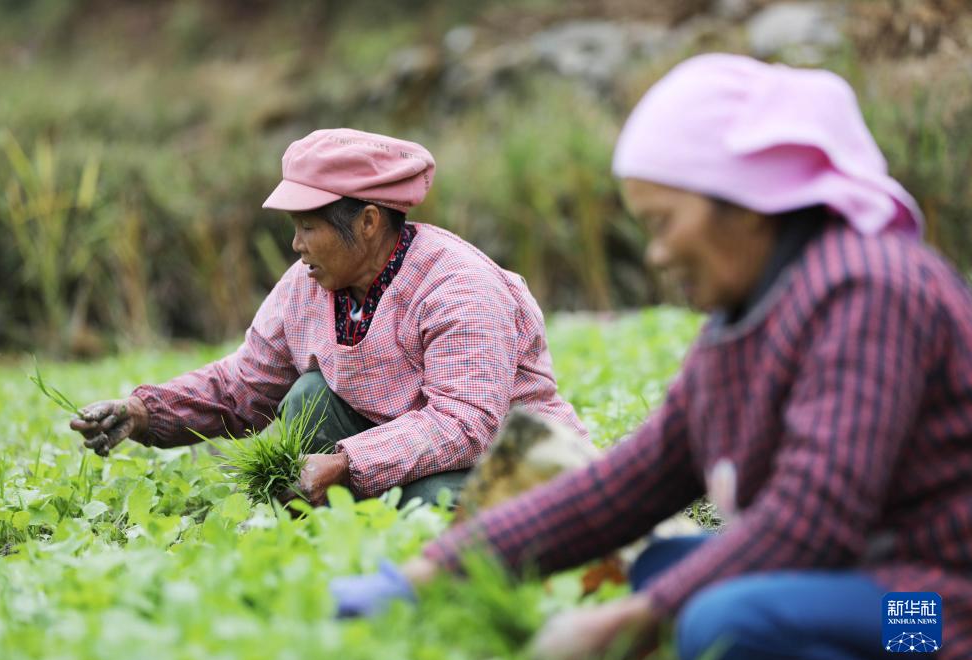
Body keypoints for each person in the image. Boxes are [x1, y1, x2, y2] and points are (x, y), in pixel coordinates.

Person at [329, 55, 971, 660]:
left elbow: (813, 520)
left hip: (931, 613)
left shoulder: (869, 290)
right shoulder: (748, 319)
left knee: (722, 622)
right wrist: (432, 571)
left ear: (746, 203)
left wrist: (629, 622)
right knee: (665, 567)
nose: (658, 254)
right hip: (859, 585)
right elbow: (628, 484)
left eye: (662, 223)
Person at [69, 128, 588, 507]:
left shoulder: (458, 287)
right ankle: (358, 512)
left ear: (367, 222)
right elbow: (243, 385)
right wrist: (144, 412)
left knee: (430, 504)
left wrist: (346, 464)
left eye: (308, 227)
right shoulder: (308, 284)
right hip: (391, 453)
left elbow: (464, 423)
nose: (296, 245)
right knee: (308, 396)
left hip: (511, 462)